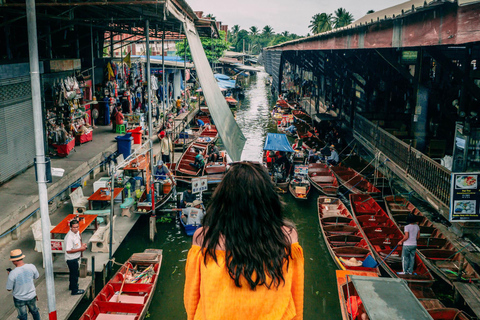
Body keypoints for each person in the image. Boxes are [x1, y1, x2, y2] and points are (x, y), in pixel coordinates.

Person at [184, 162, 304, 319]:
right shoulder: (288, 237)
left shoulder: (204, 238)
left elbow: (192, 298)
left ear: (223, 200)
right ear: (269, 200)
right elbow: (296, 296)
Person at [6, 249, 41, 320]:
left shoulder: (13, 273)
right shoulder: (31, 266)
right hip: (31, 295)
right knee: (35, 312)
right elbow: (36, 276)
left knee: (23, 316)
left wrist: (9, 275)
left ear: (14, 261)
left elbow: (9, 288)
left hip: (19, 298)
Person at [64, 219, 87, 295]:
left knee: (73, 273)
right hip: (71, 259)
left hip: (76, 257)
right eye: (74, 227)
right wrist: (80, 249)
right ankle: (75, 290)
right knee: (75, 275)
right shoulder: (69, 237)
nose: (76, 229)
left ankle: (72, 286)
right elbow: (68, 250)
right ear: (71, 228)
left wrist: (82, 244)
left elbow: (78, 241)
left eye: (77, 227)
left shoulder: (77, 233)